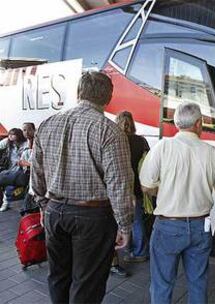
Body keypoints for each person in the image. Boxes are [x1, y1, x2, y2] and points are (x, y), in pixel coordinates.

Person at [31, 71, 135, 303]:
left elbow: (36, 174)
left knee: (57, 276)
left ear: (79, 93)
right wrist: (125, 225)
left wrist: (42, 206)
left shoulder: (48, 124)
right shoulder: (110, 130)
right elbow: (119, 183)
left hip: (54, 210)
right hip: (93, 217)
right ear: (108, 97)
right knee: (87, 283)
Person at [140, 102, 215, 304]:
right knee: (198, 283)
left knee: (162, 284)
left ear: (177, 123)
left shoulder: (163, 147)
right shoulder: (212, 153)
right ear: (199, 123)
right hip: (200, 227)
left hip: (167, 226)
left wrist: (163, 191)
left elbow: (146, 186)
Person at [110, 111, 150, 277]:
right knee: (138, 219)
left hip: (121, 186)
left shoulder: (117, 141)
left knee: (119, 219)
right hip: (138, 186)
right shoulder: (141, 140)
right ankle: (139, 251)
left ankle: (129, 249)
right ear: (132, 123)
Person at [0, 128, 29, 212]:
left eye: (13, 134)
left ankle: (7, 203)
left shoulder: (25, 144)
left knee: (11, 185)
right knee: (6, 184)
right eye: (9, 134)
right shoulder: (7, 142)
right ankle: (5, 203)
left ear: (18, 135)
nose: (10, 136)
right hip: (10, 168)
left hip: (22, 168)